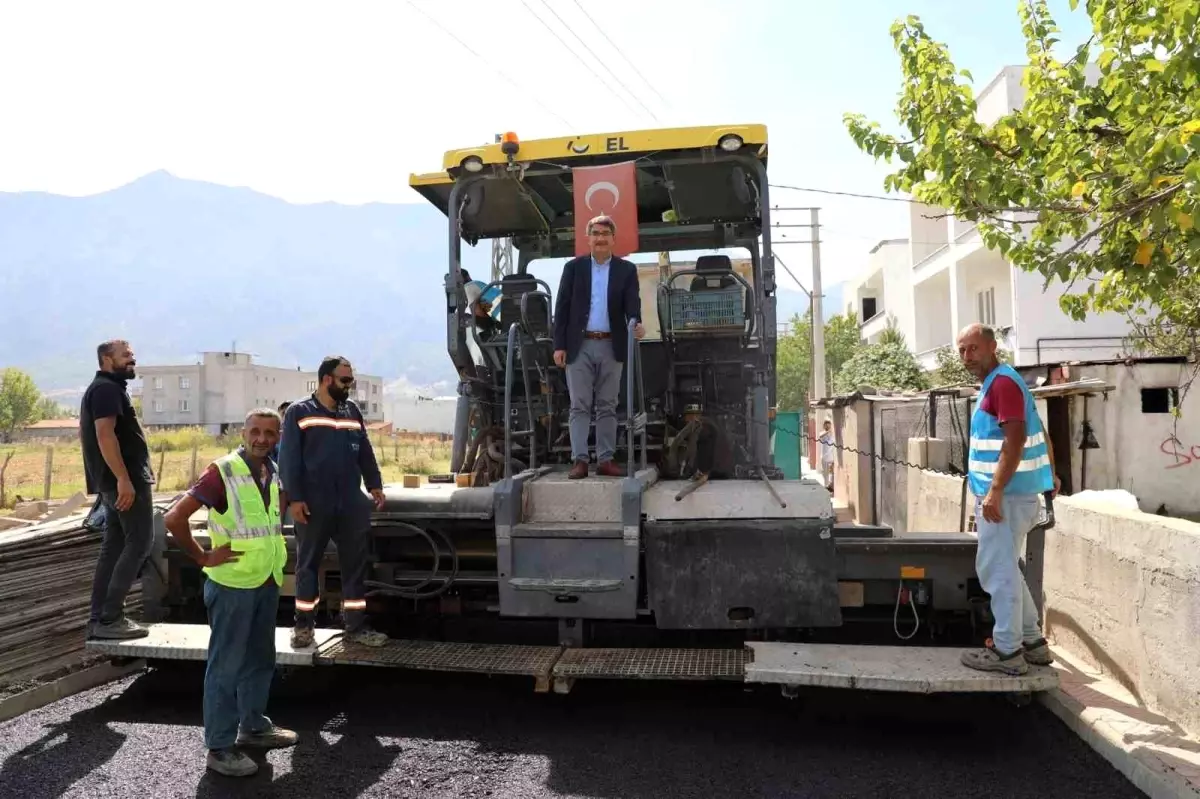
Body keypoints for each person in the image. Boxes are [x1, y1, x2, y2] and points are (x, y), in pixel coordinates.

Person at [163, 408, 299, 778]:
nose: (262, 439)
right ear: (243, 433)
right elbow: (174, 518)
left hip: (266, 579)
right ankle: (220, 747)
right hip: (233, 584)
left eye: (270, 433)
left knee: (260, 658)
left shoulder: (272, 470)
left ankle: (253, 725)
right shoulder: (222, 471)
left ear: (278, 435)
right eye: (255, 431)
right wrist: (204, 557)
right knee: (226, 666)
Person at [956, 323, 1060, 676]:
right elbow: (1039, 431)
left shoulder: (1002, 383)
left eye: (973, 348)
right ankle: (1032, 642)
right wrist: (1051, 474)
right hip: (1017, 495)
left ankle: (1006, 652)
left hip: (1006, 498)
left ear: (992, 346)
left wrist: (995, 491)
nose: (967, 356)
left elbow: (1014, 439)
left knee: (998, 573)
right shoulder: (1003, 382)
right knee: (1009, 571)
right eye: (962, 350)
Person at [279, 356, 388, 648]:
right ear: (327, 379)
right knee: (308, 565)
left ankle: (356, 626)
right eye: (345, 380)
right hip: (314, 502)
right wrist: (295, 499)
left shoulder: (351, 411)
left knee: (355, 564)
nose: (349, 386)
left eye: (350, 380)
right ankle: (303, 627)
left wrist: (374, 484)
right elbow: (288, 459)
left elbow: (364, 450)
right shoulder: (299, 412)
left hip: (350, 501)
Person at [552, 214, 645, 479]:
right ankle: (580, 460)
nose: (600, 238)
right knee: (579, 405)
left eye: (605, 234)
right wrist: (559, 345)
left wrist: (637, 323)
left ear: (613, 239)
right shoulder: (573, 268)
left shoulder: (626, 270)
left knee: (607, 405)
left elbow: (632, 305)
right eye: (596, 233)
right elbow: (562, 307)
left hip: (611, 344)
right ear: (588, 238)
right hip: (578, 345)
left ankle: (605, 459)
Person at [80, 340, 155, 640]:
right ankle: (110, 618)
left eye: (132, 355)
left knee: (113, 548)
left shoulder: (106, 388)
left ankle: (101, 617)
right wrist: (124, 478)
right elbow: (104, 435)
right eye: (125, 355)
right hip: (125, 483)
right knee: (139, 543)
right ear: (106, 360)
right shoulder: (106, 390)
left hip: (118, 482)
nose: (132, 359)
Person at [818, 419, 835, 490]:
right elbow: (820, 436)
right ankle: (826, 486)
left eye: (829, 425)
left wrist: (830, 432)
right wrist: (827, 432)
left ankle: (830, 486)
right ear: (824, 426)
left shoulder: (832, 435)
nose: (828, 426)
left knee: (831, 472)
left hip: (831, 457)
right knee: (825, 473)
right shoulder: (822, 433)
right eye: (826, 425)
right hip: (824, 457)